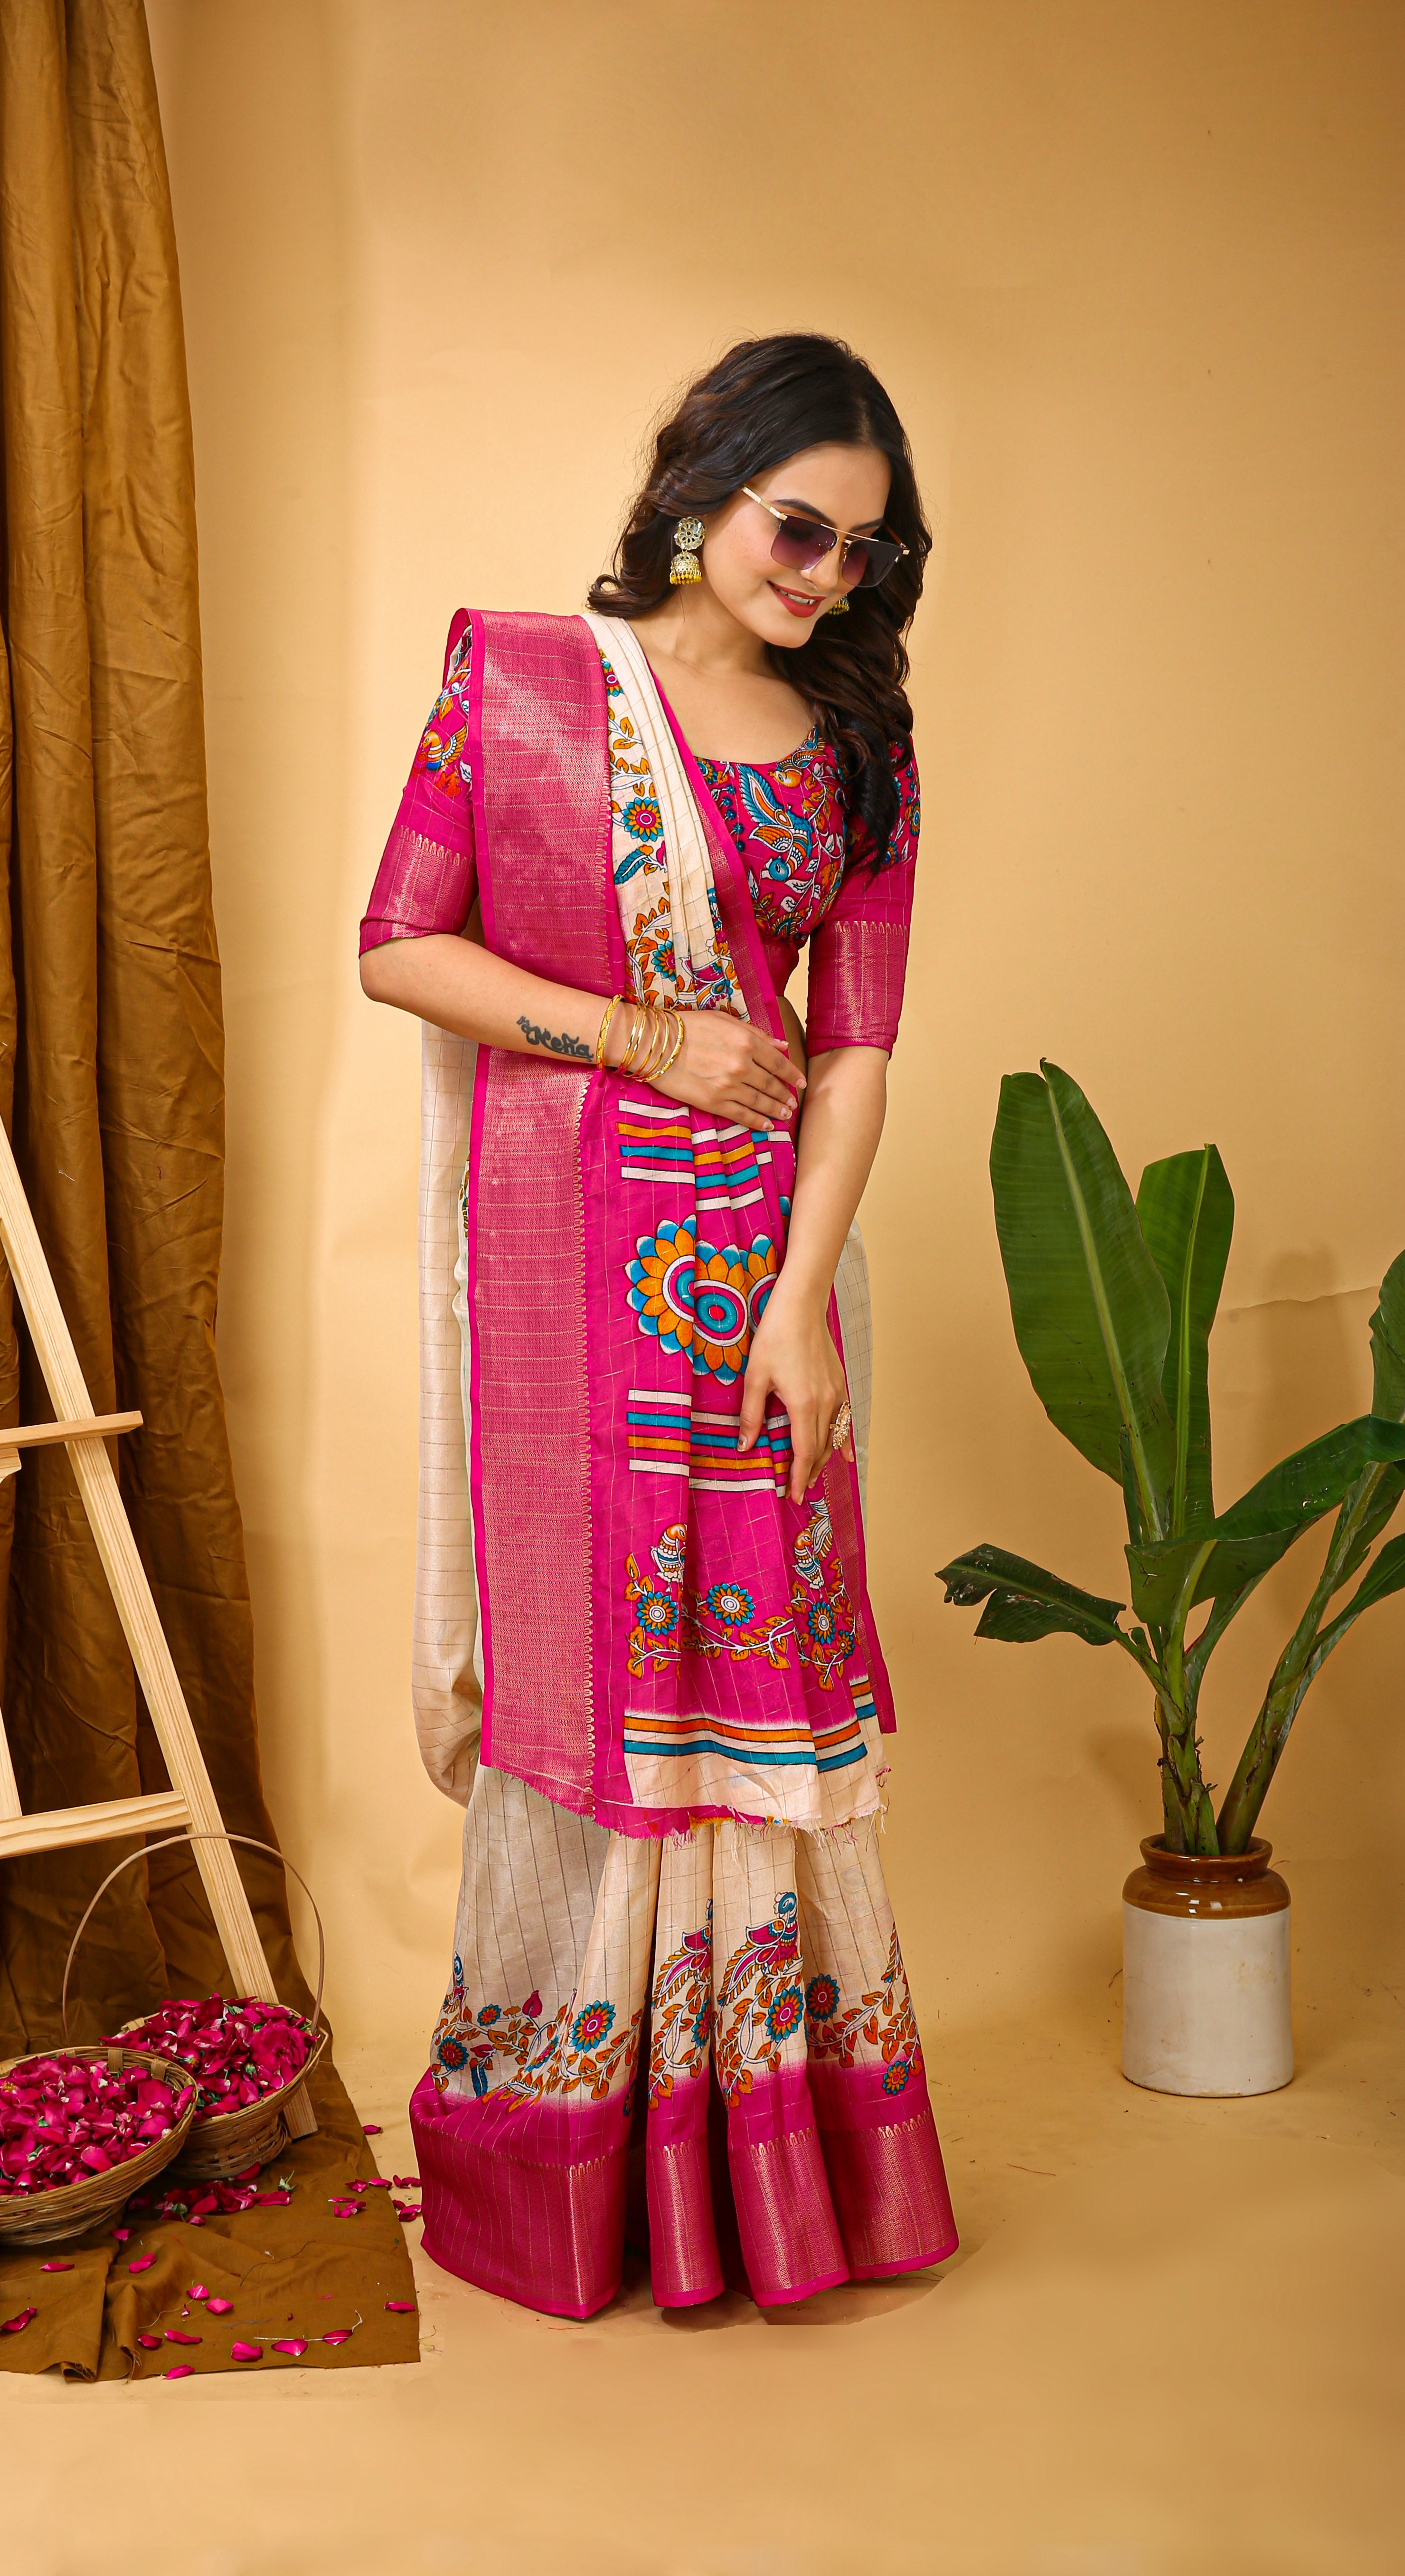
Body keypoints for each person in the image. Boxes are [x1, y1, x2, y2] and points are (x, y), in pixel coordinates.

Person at [359, 332, 957, 2317]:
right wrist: (638, 1036)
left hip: (766, 1278)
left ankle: (760, 2163)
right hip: (569, 1278)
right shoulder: (523, 685)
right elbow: (399, 946)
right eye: (802, 527)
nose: (827, 575)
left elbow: (855, 1050)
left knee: (759, 1687)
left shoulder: (860, 747)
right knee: (592, 1684)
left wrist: (803, 1312)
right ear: (701, 489)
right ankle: (576, 2165)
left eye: (865, 550)